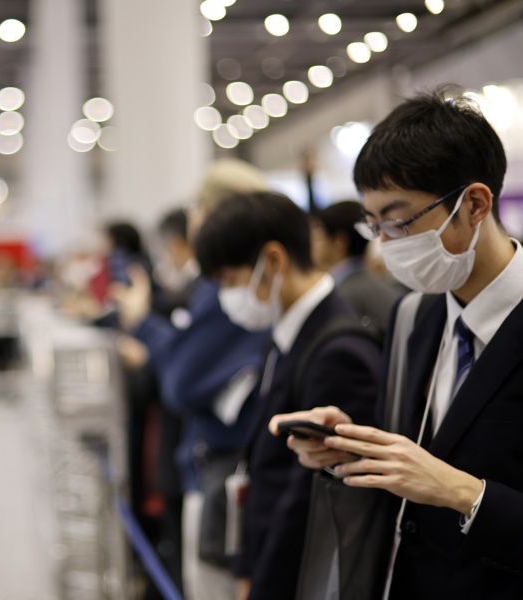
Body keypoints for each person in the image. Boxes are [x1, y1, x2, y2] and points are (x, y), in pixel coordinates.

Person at [270, 88, 523, 599]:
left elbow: (440, 478)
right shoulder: (414, 315)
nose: (385, 247)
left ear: (474, 204)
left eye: (399, 221)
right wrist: (349, 446)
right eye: (374, 225)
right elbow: (413, 467)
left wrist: (464, 493)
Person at [192, 191, 381, 600]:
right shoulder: (283, 335)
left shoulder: (338, 350)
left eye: (229, 280)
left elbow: (308, 498)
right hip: (266, 557)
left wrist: (261, 585)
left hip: (298, 577)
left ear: (273, 260)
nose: (228, 296)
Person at [112, 159, 268, 600]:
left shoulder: (228, 290)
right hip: (213, 468)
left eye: (198, 207)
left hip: (223, 471)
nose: (193, 219)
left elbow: (181, 381)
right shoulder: (222, 286)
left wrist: (144, 324)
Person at [311, 200, 402, 331]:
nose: (312, 246)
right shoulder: (376, 284)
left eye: (317, 237)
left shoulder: (344, 296)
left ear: (339, 242)